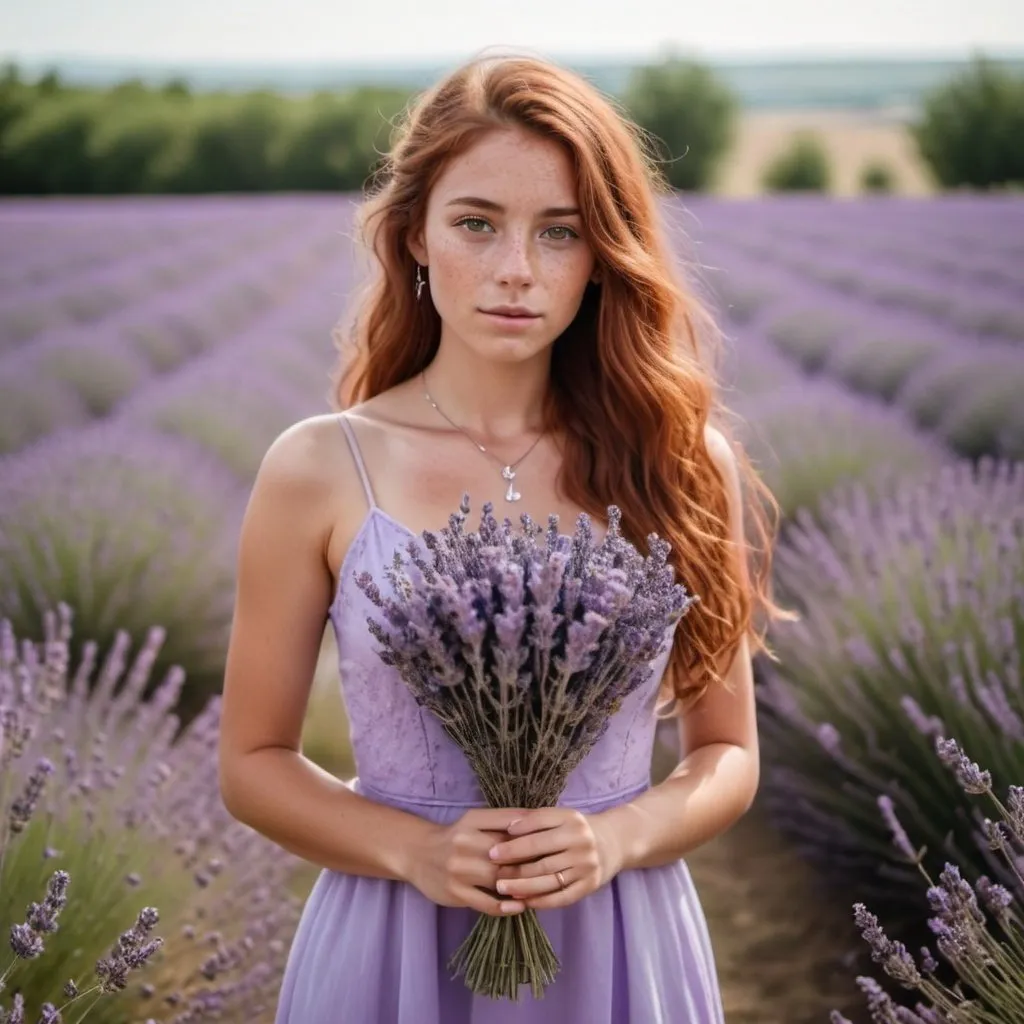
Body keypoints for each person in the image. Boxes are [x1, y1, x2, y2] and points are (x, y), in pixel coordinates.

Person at [218, 51, 787, 1024]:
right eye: (476, 223)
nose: (516, 269)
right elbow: (253, 761)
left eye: (559, 233)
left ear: (602, 255)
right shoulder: (319, 466)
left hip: (617, 931)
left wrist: (620, 836)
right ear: (415, 238)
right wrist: (414, 850)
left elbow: (726, 750)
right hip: (394, 935)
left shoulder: (680, 459)